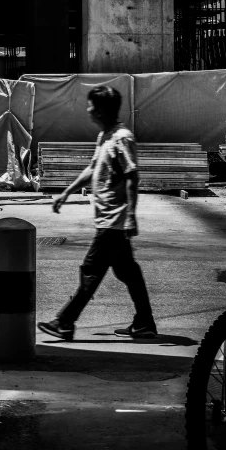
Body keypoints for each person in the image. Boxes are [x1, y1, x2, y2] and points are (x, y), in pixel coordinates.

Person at [37, 85, 157, 341]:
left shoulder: (121, 137)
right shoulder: (105, 136)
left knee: (92, 269)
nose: (88, 109)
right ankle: (144, 323)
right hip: (108, 218)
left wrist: (131, 215)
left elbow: (131, 176)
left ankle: (65, 322)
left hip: (114, 220)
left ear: (101, 109)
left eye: (91, 105)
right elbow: (92, 169)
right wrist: (66, 192)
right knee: (127, 272)